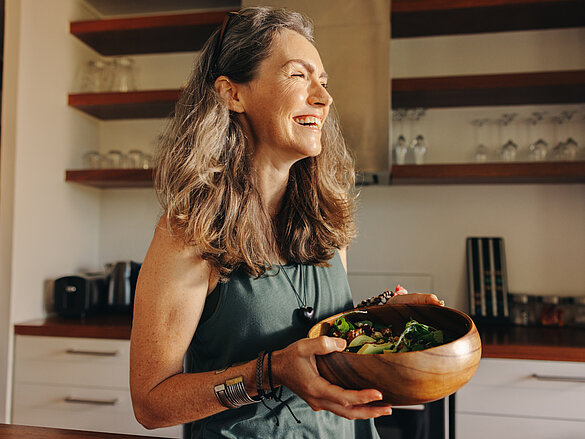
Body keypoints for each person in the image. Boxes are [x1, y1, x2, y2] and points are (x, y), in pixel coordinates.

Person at [129, 6, 443, 439]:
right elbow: (151, 402)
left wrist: (380, 317)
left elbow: (323, 338)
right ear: (232, 94)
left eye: (325, 83)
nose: (324, 97)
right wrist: (268, 372)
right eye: (298, 76)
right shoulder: (188, 231)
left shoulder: (325, 220)